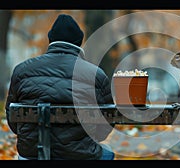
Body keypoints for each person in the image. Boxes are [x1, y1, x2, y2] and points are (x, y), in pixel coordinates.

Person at [5, 14, 115, 160]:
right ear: (79, 43)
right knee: (108, 153)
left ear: (50, 40)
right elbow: (105, 128)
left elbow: (13, 119)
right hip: (81, 154)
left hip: (31, 154)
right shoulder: (96, 75)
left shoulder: (21, 71)